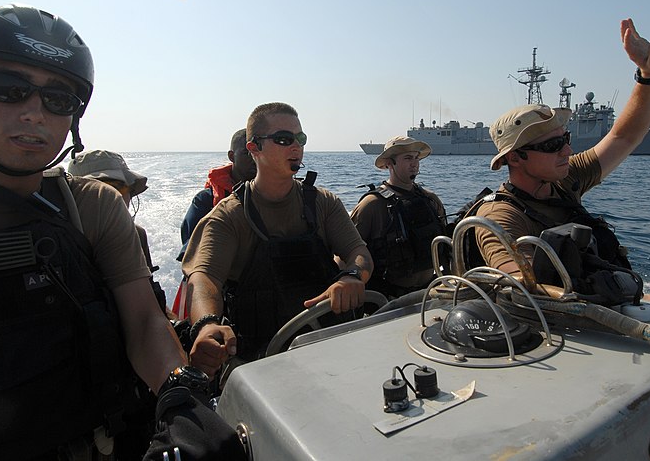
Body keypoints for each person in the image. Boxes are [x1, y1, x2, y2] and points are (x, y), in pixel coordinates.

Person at [0, 3, 243, 459]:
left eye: (59, 100)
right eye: (7, 88)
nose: (34, 113)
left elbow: (144, 320)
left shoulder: (91, 205)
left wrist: (180, 398)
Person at [470, 18, 650, 310]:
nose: (568, 149)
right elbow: (526, 290)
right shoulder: (500, 217)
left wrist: (649, 74)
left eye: (565, 137)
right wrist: (649, 301)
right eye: (553, 145)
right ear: (514, 157)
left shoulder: (564, 180)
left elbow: (623, 137)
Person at [181, 101, 373, 377]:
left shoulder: (324, 203)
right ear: (254, 148)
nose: (296, 146)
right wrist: (207, 324)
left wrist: (353, 276)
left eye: (300, 138)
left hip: (331, 351)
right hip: (261, 364)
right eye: (284, 139)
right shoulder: (228, 216)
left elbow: (358, 251)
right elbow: (203, 279)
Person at [68, 149, 170, 315]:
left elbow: (148, 302)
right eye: (100, 190)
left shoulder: (137, 235)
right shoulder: (55, 240)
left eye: (119, 189)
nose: (110, 197)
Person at [172, 128, 256, 318]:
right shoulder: (206, 201)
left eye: (257, 152)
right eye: (246, 153)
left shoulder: (275, 199)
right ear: (231, 156)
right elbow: (192, 253)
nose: (253, 158)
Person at [350, 135, 447, 298]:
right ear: (389, 163)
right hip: (389, 298)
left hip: (430, 292)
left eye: (417, 158)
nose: (414, 163)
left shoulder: (430, 200)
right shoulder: (372, 205)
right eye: (408, 158)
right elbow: (349, 250)